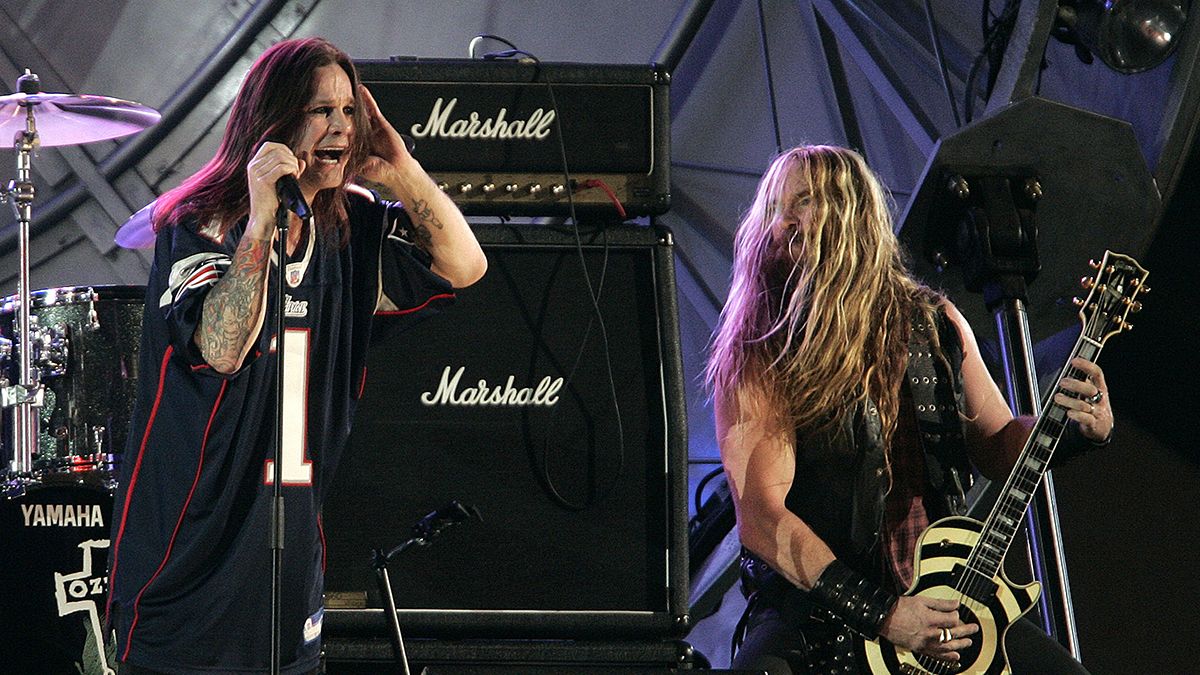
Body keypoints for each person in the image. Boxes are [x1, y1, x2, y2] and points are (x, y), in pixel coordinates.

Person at [105, 37, 486, 674]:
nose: (341, 127)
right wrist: (259, 223)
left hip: (286, 573)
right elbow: (222, 350)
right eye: (320, 111)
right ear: (272, 124)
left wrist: (402, 171)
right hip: (190, 560)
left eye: (348, 111)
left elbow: (465, 266)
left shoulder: (351, 227)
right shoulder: (201, 223)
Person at [706, 145, 1112, 674]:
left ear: (850, 212)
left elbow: (995, 445)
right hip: (819, 614)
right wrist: (883, 613)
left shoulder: (933, 322)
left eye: (802, 202)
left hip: (942, 599)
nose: (783, 221)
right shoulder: (764, 347)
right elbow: (761, 517)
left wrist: (1073, 428)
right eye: (776, 208)